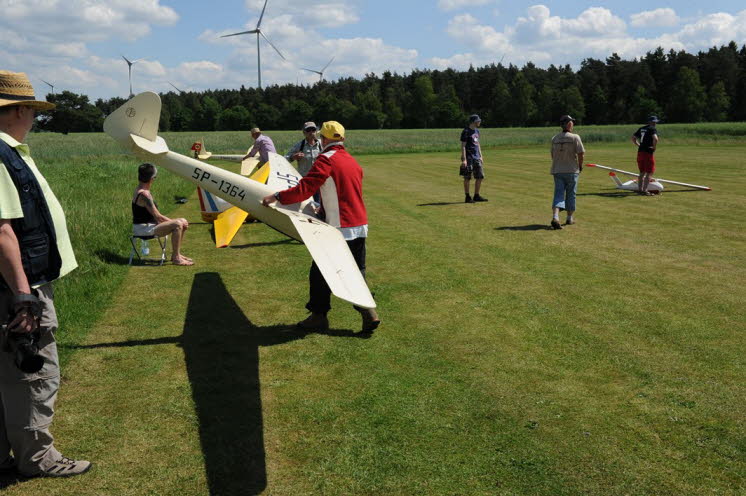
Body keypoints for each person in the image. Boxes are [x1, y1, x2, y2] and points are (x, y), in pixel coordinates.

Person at [0, 70, 91, 477]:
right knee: (33, 371)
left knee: (9, 371)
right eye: (32, 111)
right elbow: (1, 229)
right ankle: (37, 458)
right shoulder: (1, 155)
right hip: (20, 284)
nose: (34, 119)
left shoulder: (10, 152)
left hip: (17, 281)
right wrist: (23, 294)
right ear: (18, 110)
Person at [261, 121, 380, 333]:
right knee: (355, 272)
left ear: (324, 139)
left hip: (339, 227)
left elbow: (305, 189)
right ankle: (369, 312)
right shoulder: (352, 161)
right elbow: (344, 192)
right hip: (360, 225)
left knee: (319, 273)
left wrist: (277, 196)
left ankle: (319, 317)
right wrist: (323, 210)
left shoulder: (325, 159)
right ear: (342, 139)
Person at [132, 163, 193, 266]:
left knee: (182, 220)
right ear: (152, 179)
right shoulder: (144, 194)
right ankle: (176, 258)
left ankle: (176, 254)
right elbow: (158, 216)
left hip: (149, 226)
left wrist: (180, 222)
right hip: (144, 229)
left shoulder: (141, 190)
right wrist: (177, 223)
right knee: (178, 224)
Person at [549, 115, 585, 229]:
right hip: (571, 170)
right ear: (569, 124)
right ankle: (569, 218)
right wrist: (580, 166)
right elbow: (581, 153)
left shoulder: (555, 138)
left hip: (557, 170)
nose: (573, 124)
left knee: (558, 193)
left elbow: (552, 155)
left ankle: (556, 216)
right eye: (572, 122)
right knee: (571, 194)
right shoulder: (575, 137)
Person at [460, 114, 488, 203]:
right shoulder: (466, 131)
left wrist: (481, 155)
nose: (480, 122)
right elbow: (463, 146)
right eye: (478, 121)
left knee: (480, 176)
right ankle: (467, 197)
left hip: (477, 157)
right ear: (474, 122)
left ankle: (476, 195)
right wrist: (464, 159)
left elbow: (478, 144)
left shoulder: (477, 131)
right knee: (467, 177)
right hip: (469, 158)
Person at [632, 116, 660, 196]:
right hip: (648, 152)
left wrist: (639, 145)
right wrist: (654, 147)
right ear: (650, 122)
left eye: (655, 122)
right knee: (649, 172)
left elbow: (633, 138)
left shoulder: (641, 128)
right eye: (654, 122)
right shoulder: (652, 129)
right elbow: (656, 139)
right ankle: (644, 190)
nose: (655, 123)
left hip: (640, 152)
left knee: (642, 172)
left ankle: (640, 190)